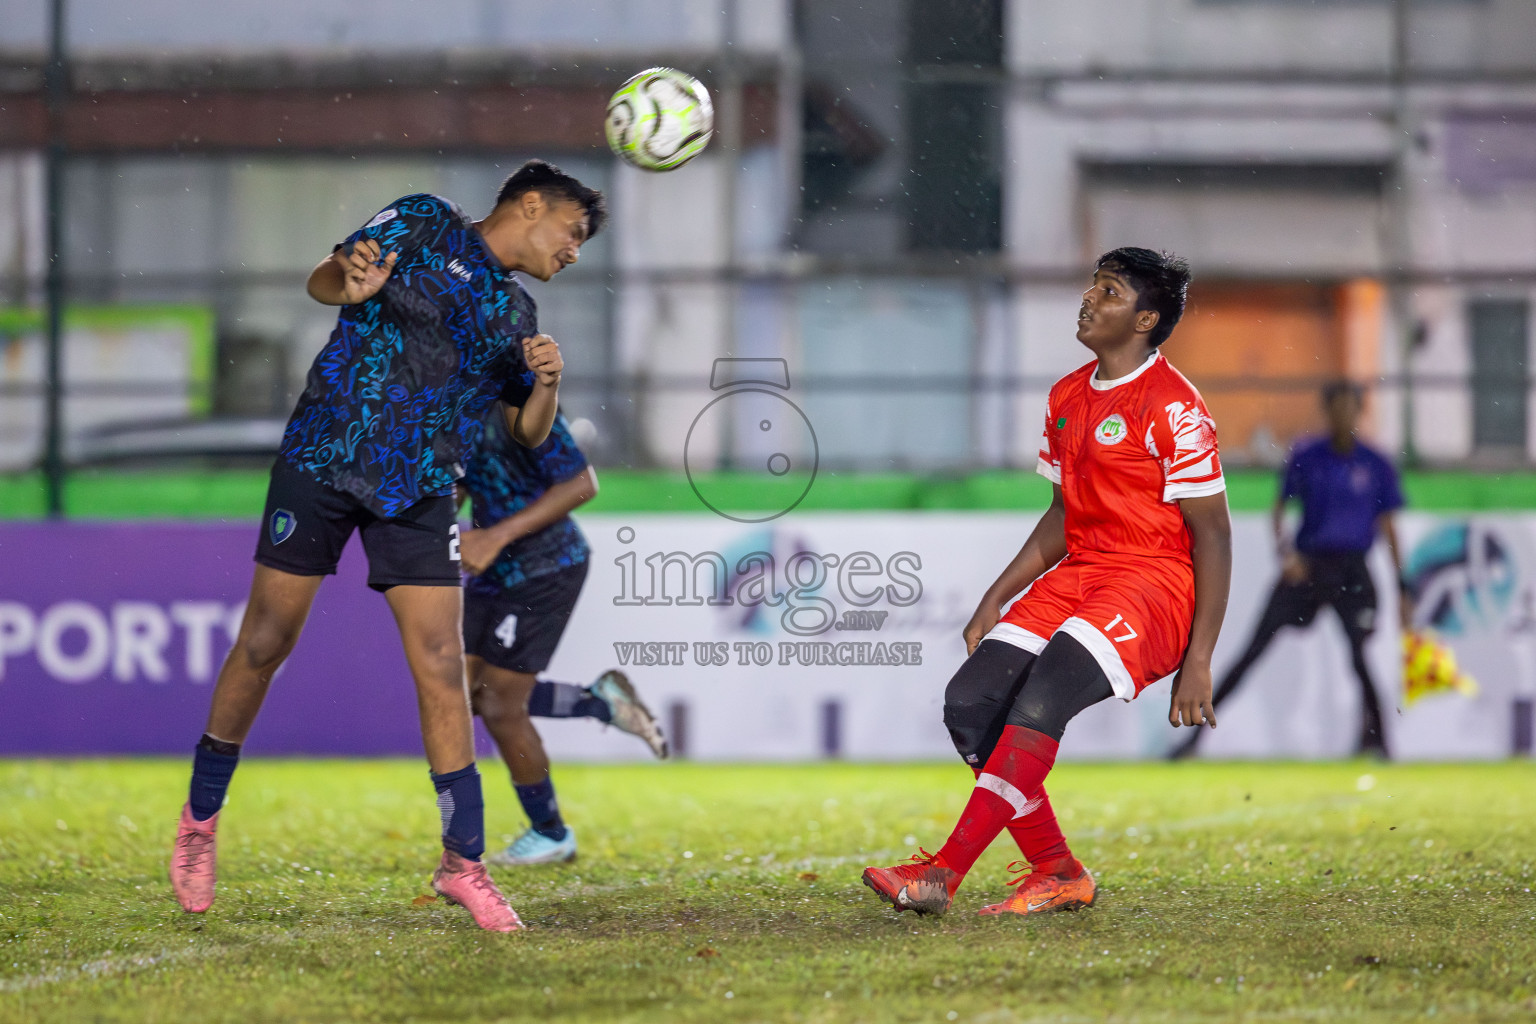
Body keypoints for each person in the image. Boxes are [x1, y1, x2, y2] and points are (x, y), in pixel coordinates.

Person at [168, 161, 606, 932]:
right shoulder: (424, 217)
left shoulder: (517, 311)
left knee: (441, 664)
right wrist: (348, 282)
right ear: (530, 204)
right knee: (266, 641)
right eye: (573, 232)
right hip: (322, 459)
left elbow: (526, 434)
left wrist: (546, 385)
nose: (575, 251)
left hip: (422, 486)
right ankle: (200, 821)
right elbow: (327, 280)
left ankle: (462, 864)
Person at [861, 247, 1231, 917]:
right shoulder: (1067, 395)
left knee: (1040, 703)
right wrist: (995, 596)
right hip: (1081, 574)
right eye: (1093, 286)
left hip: (1151, 586)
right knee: (971, 704)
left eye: (1111, 292)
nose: (1090, 300)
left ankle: (941, 875)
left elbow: (1214, 533)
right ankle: (1058, 870)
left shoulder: (1175, 407)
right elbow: (1062, 515)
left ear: (1146, 319)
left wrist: (1198, 659)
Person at [457, 406, 668, 867]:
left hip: (547, 566)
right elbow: (461, 482)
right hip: (494, 570)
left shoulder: (519, 400)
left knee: (498, 704)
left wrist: (493, 536)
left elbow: (581, 484)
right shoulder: (451, 402)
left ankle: (551, 833)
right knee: (459, 694)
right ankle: (599, 703)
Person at [1170, 381, 1408, 760]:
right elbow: (1279, 509)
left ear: (1359, 412)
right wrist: (1286, 556)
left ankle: (1377, 741)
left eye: (1350, 408)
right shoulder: (1308, 454)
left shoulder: (1375, 463)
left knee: (1359, 658)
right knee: (1252, 650)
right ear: (1328, 411)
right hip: (1309, 566)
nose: (1344, 416)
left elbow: (1389, 526)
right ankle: (1193, 738)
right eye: (1337, 408)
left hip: (1352, 572)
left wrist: (1402, 585)